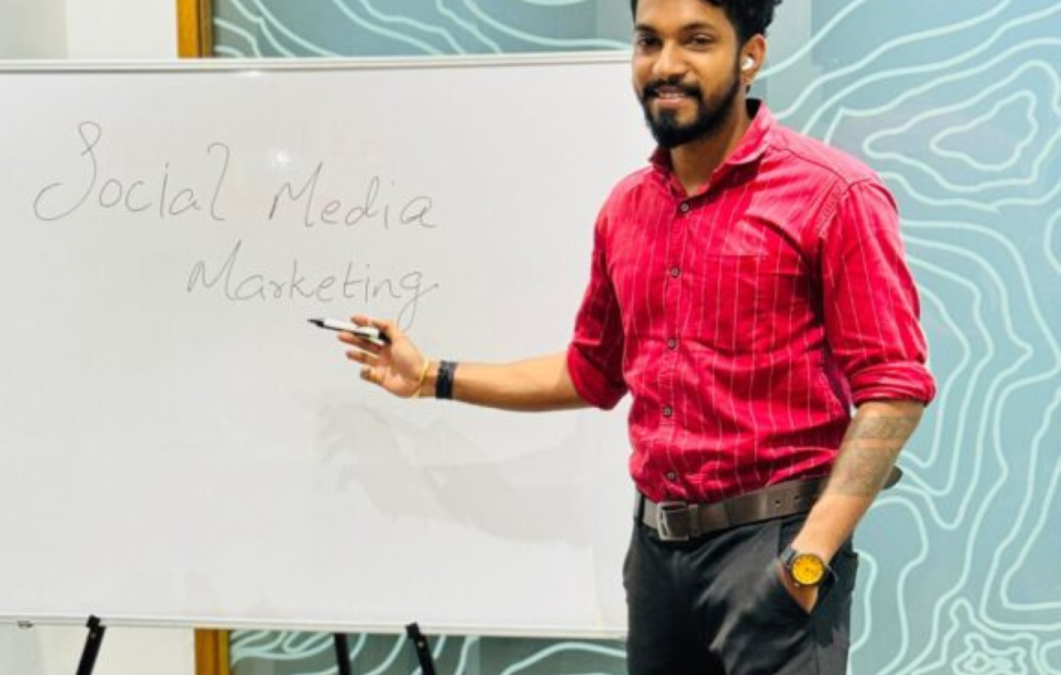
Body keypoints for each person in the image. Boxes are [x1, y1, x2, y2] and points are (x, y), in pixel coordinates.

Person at [336, 0, 936, 672]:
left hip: (774, 548)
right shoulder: (626, 209)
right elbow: (590, 373)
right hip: (655, 559)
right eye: (649, 41)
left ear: (751, 55)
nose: (666, 65)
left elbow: (895, 390)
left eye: (697, 40)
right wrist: (430, 376)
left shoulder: (834, 193)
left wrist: (809, 557)